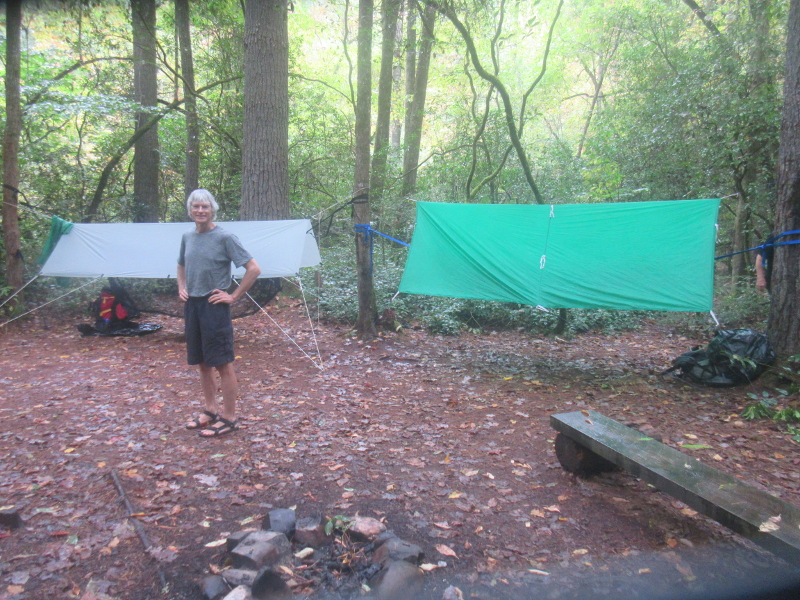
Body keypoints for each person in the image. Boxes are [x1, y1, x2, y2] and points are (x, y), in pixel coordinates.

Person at [177, 189, 261, 437]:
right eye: (196, 207)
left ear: (212, 210)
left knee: (222, 363)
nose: (200, 211)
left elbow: (254, 269)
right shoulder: (187, 236)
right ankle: (210, 411)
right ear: (190, 210)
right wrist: (181, 286)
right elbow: (181, 264)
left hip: (215, 306)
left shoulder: (225, 237)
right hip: (193, 305)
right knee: (202, 363)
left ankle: (229, 417)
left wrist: (233, 296)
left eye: (205, 207)